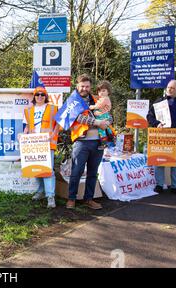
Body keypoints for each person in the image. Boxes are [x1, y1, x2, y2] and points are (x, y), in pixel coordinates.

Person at [66, 74, 113, 210]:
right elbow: (78, 117)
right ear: (77, 86)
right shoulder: (73, 100)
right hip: (81, 142)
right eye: (82, 86)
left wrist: (107, 121)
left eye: (87, 86)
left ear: (90, 87)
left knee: (93, 172)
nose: (84, 88)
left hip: (99, 141)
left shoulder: (96, 99)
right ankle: (71, 198)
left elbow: (108, 114)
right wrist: (98, 122)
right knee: (77, 171)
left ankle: (89, 199)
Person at [147, 79, 176, 197]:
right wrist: (156, 123)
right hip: (162, 137)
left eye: (172, 88)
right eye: (168, 87)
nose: (169, 89)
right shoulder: (159, 102)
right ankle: (159, 185)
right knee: (159, 161)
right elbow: (149, 116)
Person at [23, 86, 59, 208]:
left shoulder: (53, 108)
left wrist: (53, 135)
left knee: (48, 170)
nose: (39, 97)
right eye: (37, 95)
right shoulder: (28, 111)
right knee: (37, 169)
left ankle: (50, 197)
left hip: (48, 143)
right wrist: (23, 135)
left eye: (42, 94)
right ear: (34, 96)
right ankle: (40, 192)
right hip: (33, 144)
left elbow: (58, 125)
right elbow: (27, 127)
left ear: (46, 96)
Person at [89, 80, 116, 148]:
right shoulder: (103, 98)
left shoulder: (105, 99)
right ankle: (110, 137)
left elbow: (99, 105)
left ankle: (103, 142)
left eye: (103, 91)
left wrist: (92, 107)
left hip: (102, 115)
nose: (101, 93)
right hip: (103, 114)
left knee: (101, 129)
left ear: (108, 92)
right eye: (99, 91)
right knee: (106, 128)